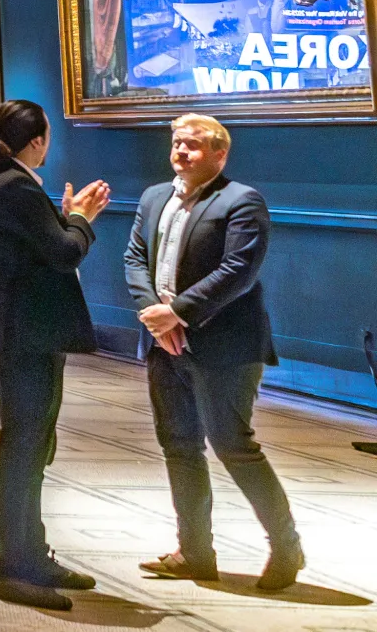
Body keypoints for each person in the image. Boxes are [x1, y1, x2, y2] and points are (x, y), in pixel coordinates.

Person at [124, 114, 304, 592]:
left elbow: (238, 270)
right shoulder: (153, 197)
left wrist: (177, 312)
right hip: (164, 345)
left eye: (194, 146)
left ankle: (287, 547)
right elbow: (134, 258)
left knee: (232, 446)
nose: (181, 151)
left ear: (220, 154)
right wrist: (153, 315)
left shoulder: (241, 201)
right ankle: (195, 554)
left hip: (225, 346)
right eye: (177, 143)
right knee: (179, 447)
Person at [0, 97, 112, 610]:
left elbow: (35, 243)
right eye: (48, 136)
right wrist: (80, 217)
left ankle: (31, 552)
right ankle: (13, 566)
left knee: (31, 448)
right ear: (36, 142)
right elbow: (64, 252)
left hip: (13, 332)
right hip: (26, 334)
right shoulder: (18, 187)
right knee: (23, 451)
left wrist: (61, 212)